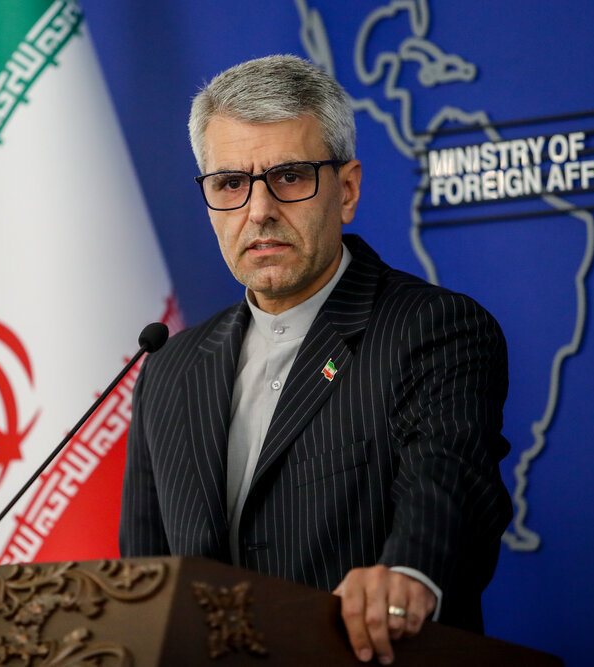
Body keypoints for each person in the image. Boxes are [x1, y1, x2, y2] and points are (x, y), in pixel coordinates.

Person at [119, 55, 512, 665]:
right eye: (230, 183)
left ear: (346, 190)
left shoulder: (433, 329)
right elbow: (142, 582)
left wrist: (407, 574)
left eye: (290, 176)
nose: (259, 210)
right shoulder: (171, 367)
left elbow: (449, 484)